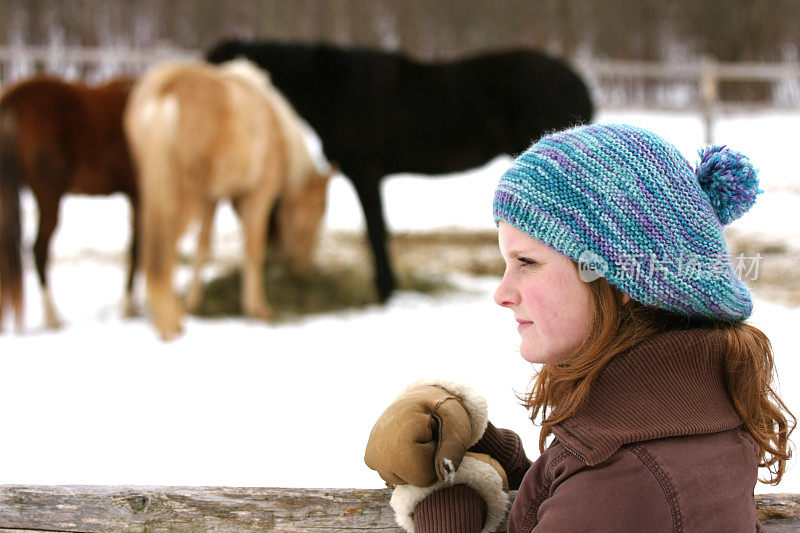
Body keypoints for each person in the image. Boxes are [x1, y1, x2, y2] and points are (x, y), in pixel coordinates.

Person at [364, 123, 794, 532]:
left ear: (622, 276)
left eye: (527, 263)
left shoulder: (629, 481)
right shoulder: (683, 419)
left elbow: (611, 501)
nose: (502, 293)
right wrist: (505, 459)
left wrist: (446, 505)